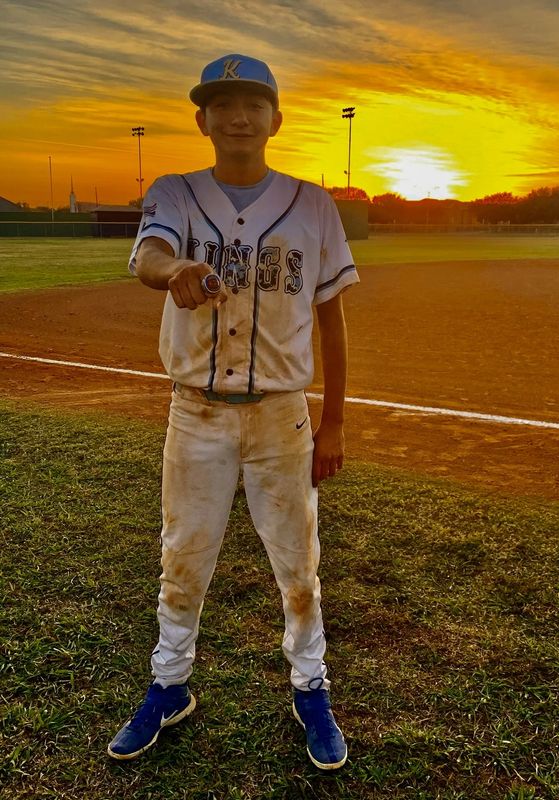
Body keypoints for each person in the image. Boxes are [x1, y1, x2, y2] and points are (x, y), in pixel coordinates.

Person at [108, 53, 359, 770]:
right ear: (203, 120)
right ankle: (169, 685)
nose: (238, 116)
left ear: (276, 119)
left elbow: (333, 320)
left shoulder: (313, 205)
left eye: (253, 104)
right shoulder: (175, 192)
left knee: (299, 566)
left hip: (283, 416)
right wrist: (176, 270)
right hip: (197, 414)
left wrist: (334, 421)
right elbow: (150, 255)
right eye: (222, 105)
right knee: (183, 557)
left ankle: (311, 688)